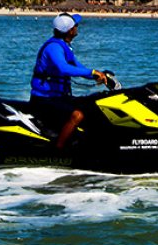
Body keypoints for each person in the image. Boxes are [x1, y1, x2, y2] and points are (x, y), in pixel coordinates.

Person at [29, 12, 107, 150]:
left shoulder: (64, 47)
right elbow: (64, 68)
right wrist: (92, 72)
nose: (77, 28)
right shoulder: (53, 48)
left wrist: (99, 75)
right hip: (44, 100)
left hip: (60, 97)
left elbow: (79, 68)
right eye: (75, 25)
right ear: (70, 30)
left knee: (93, 104)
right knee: (77, 115)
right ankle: (58, 150)